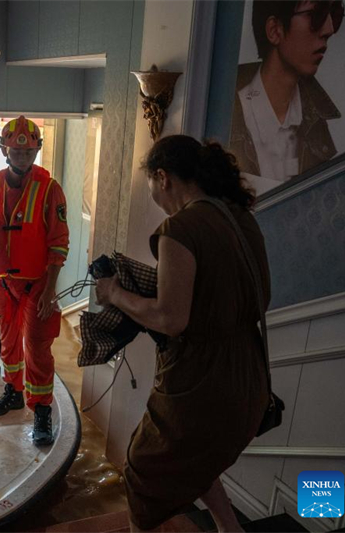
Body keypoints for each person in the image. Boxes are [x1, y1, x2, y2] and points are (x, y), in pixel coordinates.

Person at [95, 135, 270, 532]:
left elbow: (170, 318)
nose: (154, 194)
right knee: (196, 459)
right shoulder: (241, 218)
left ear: (162, 177)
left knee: (143, 472)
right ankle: (231, 528)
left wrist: (115, 293)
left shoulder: (180, 228)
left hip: (201, 383)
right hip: (250, 378)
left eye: (152, 185)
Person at [0, 116, 69, 446]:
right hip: (4, 283)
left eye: (28, 152)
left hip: (37, 285)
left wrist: (50, 291)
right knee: (8, 343)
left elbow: (58, 245)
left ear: (36, 151)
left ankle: (41, 411)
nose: (22, 157)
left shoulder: (50, 189)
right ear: (4, 150)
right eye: (15, 151)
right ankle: (13, 390)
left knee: (38, 350)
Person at [230, 0, 343, 185]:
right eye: (316, 15)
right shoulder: (227, 116)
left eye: (335, 14)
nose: (329, 29)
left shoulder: (321, 124)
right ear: (275, 30)